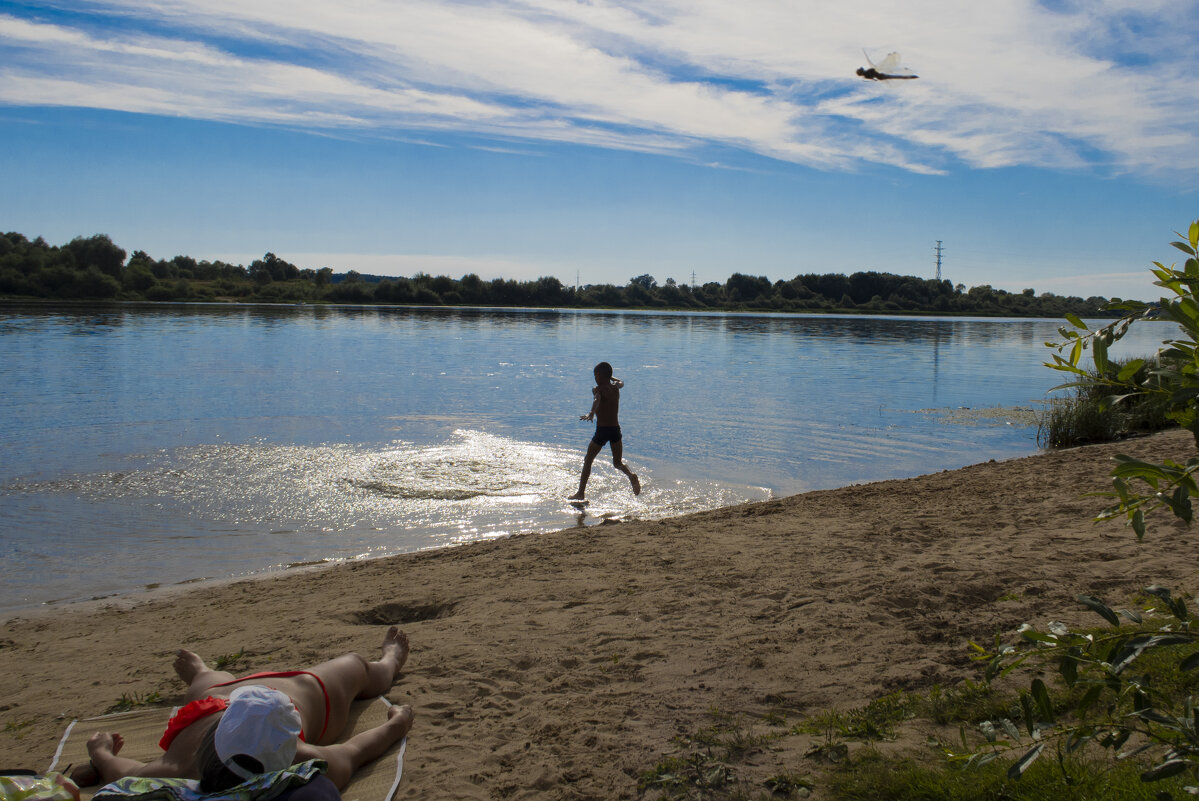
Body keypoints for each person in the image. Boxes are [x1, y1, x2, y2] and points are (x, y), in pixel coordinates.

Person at [70, 627, 414, 791]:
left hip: (218, 702)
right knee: (356, 666)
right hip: (294, 691)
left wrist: (99, 754)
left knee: (209, 683)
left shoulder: (182, 767)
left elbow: (118, 769)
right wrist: (397, 723)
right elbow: (355, 750)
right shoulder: (300, 759)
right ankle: (390, 661)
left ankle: (201, 671)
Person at [568, 361, 641, 501]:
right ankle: (631, 476)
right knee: (617, 463)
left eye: (596, 375)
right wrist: (612, 378)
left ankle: (580, 493)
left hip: (602, 431)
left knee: (588, 460)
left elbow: (596, 400)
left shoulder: (598, 389)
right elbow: (621, 382)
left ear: (600, 376)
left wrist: (591, 413)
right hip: (615, 430)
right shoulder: (616, 388)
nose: (595, 377)